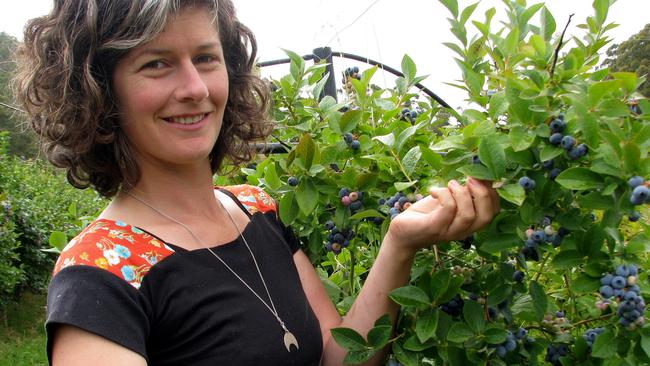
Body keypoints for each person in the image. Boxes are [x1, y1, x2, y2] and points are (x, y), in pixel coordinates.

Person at [13, 0, 500, 365]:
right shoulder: (99, 277)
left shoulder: (256, 211)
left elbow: (339, 356)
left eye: (205, 58)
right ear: (98, 93)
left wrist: (399, 245)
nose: (196, 89)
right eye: (156, 63)